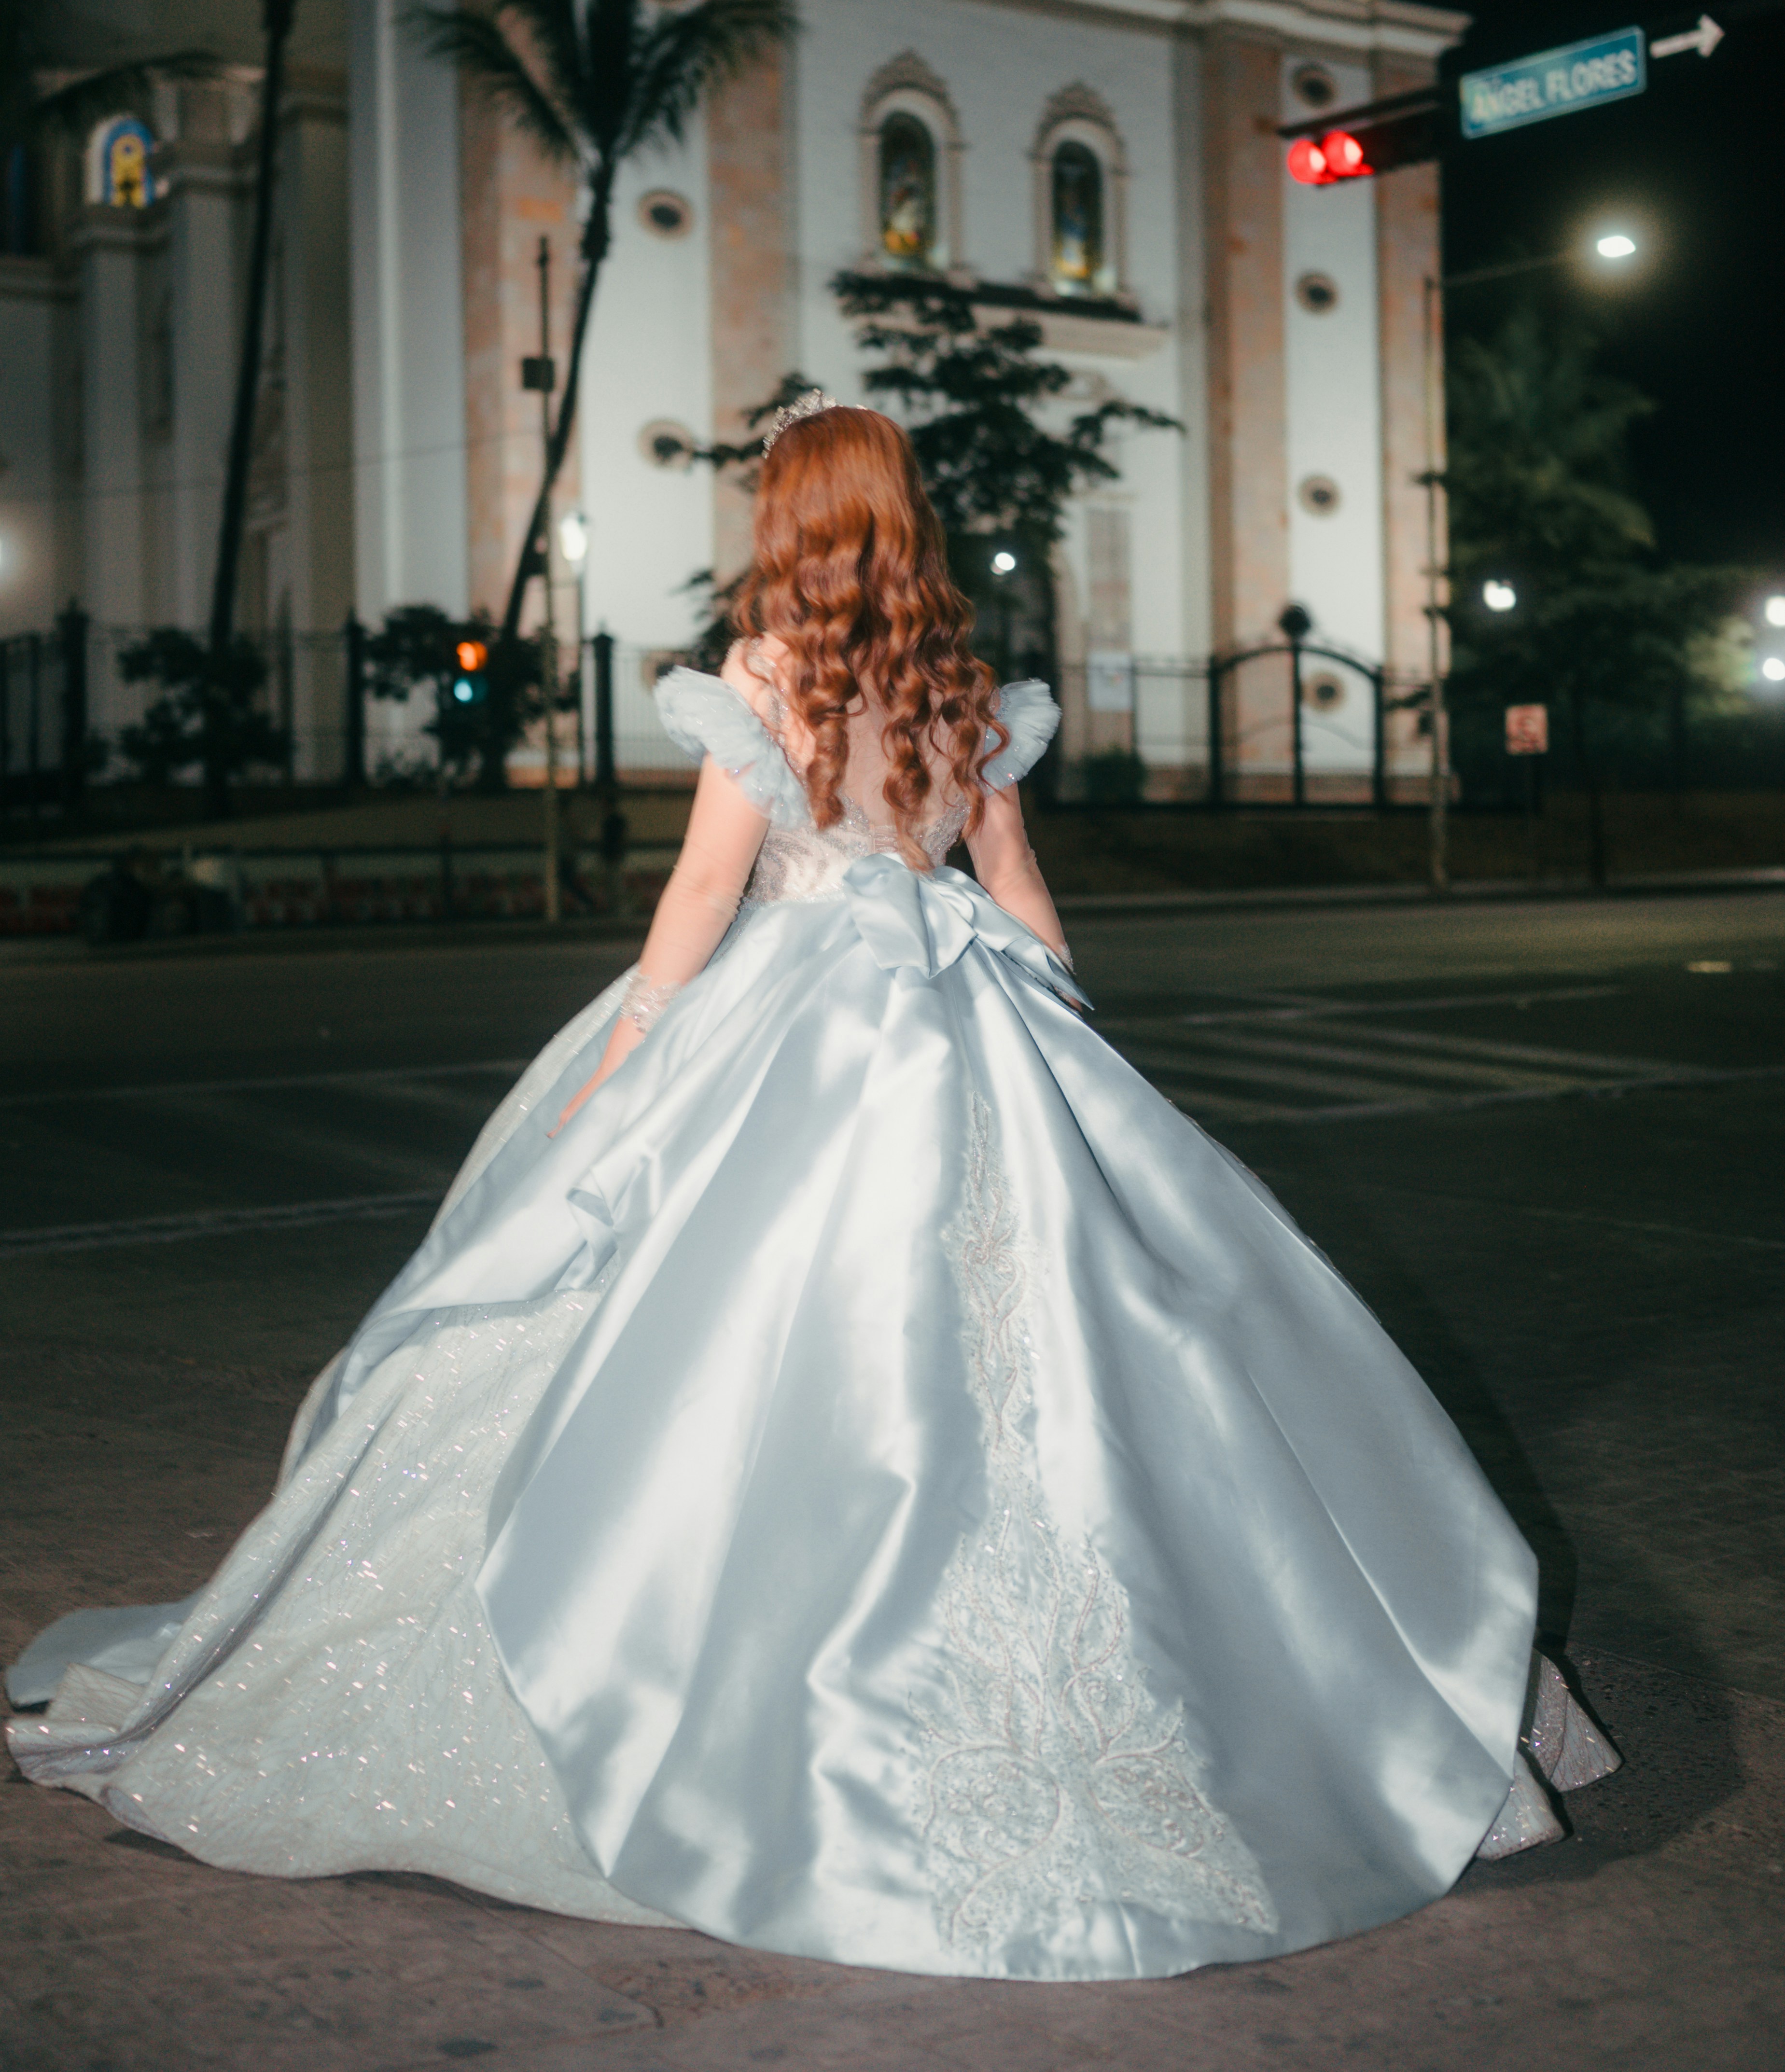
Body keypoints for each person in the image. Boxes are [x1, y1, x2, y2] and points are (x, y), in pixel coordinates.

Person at [7, 401, 1615, 1982]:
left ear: (788, 524)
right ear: (902, 518)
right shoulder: (961, 688)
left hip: (792, 1035)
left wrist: (609, 1078)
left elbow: (697, 909)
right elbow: (1019, 890)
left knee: (729, 1337)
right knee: (1089, 1357)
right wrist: (1066, 1046)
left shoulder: (766, 684)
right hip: (972, 1024)